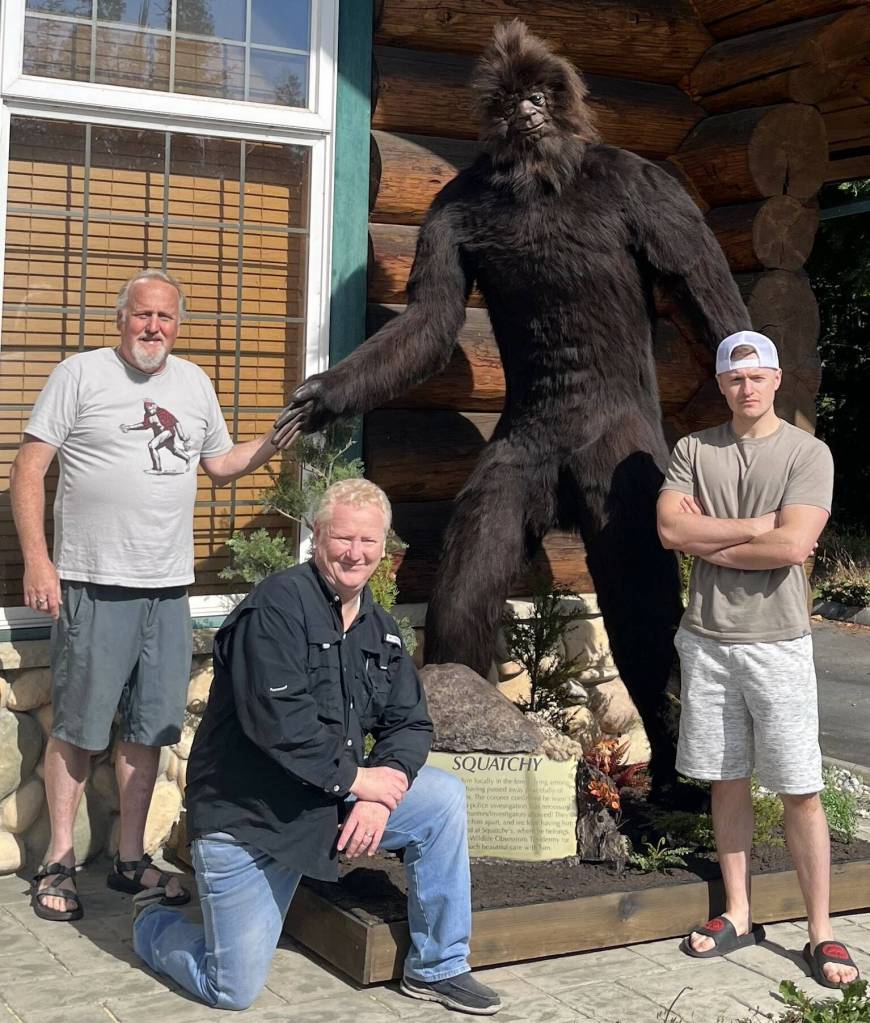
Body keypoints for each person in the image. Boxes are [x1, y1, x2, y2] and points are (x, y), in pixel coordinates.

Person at [131, 479, 502, 1015]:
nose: (356, 553)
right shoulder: (276, 608)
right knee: (229, 988)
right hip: (251, 820)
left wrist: (380, 793)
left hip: (326, 804)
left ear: (384, 548)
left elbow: (411, 723)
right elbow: (280, 722)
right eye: (343, 538)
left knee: (441, 799)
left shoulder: (379, 628)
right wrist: (358, 781)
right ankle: (152, 924)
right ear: (316, 536)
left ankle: (438, 966)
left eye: (369, 541)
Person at [10, 269, 284, 922]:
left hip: (168, 590)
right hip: (93, 584)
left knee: (147, 728)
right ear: (120, 318)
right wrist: (37, 559)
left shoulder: (193, 385)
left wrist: (279, 435)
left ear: (177, 324)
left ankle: (131, 861)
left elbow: (219, 465)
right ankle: (59, 861)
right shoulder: (79, 376)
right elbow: (28, 469)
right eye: (141, 314)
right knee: (77, 727)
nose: (153, 326)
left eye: (164, 316)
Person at [656, 331, 860, 989]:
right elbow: (669, 530)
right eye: (735, 378)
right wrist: (753, 529)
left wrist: (710, 540)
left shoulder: (808, 453)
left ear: (776, 380)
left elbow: (795, 541)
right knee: (727, 777)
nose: (747, 388)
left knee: (800, 786)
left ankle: (821, 929)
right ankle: (739, 912)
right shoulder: (694, 449)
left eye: (758, 376)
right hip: (709, 639)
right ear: (721, 384)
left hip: (778, 641)